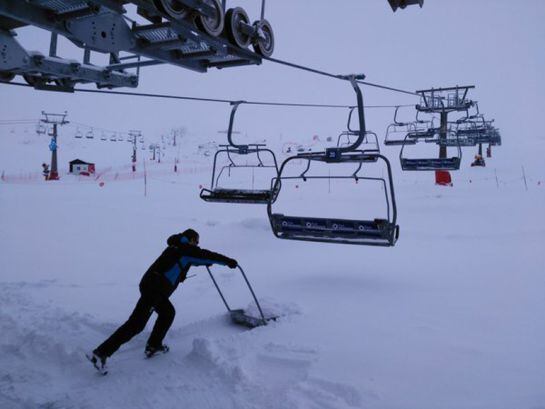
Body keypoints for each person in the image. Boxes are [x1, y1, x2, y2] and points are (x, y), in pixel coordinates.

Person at [87, 229, 237, 374]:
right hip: (155, 289)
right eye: (196, 241)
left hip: (152, 287)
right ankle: (100, 353)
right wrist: (228, 261)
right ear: (191, 239)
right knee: (136, 324)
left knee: (167, 313)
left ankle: (153, 346)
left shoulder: (177, 246)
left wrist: (204, 262)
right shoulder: (185, 249)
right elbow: (204, 255)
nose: (197, 244)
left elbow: (192, 259)